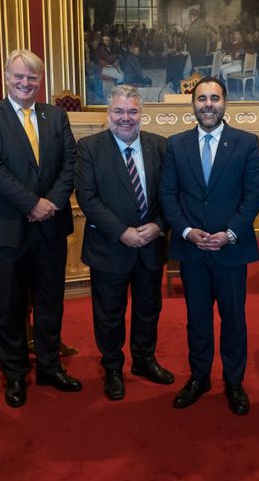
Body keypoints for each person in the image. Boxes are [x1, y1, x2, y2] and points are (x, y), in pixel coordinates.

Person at [0, 49, 80, 408]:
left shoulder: (56, 116)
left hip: (51, 227)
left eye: (32, 77)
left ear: (40, 81)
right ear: (7, 77)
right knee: (11, 307)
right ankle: (15, 374)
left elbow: (70, 163)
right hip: (6, 230)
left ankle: (50, 367)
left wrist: (51, 202)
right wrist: (32, 203)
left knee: (50, 303)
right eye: (19, 76)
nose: (25, 82)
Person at [159, 76, 259, 415]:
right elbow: (167, 195)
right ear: (193, 104)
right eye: (201, 98)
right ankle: (199, 377)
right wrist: (187, 231)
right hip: (192, 250)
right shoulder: (176, 145)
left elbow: (254, 195)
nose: (208, 105)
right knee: (197, 318)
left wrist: (230, 233)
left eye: (214, 98)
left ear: (225, 102)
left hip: (231, 249)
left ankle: (234, 382)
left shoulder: (246, 143)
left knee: (233, 319)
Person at [75, 85, 174, 401]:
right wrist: (122, 232)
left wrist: (159, 226)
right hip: (109, 247)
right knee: (109, 314)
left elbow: (172, 195)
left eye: (132, 111)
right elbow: (87, 198)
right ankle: (113, 368)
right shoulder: (89, 148)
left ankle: (144, 360)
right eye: (119, 111)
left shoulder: (161, 146)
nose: (126, 118)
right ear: (108, 113)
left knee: (148, 309)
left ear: (141, 113)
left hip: (151, 246)